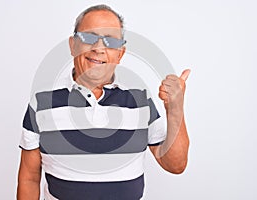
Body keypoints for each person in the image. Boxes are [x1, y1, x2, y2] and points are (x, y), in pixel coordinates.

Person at [17, 4, 190, 200]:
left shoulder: (140, 101)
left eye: (110, 41)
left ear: (120, 54)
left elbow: (175, 165)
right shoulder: (41, 104)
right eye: (89, 38)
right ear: (73, 45)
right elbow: (29, 178)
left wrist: (175, 108)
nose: (99, 48)